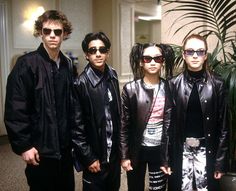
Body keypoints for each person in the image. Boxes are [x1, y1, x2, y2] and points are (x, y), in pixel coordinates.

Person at [4, 10, 75, 191]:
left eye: (57, 32)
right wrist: (24, 146)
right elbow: (15, 108)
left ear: (64, 34)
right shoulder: (26, 64)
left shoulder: (68, 65)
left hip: (65, 149)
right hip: (40, 149)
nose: (52, 35)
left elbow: (71, 106)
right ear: (40, 33)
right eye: (47, 31)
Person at [167, 34, 229, 191]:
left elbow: (224, 127)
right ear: (183, 54)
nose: (195, 55)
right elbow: (168, 126)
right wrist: (166, 158)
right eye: (190, 51)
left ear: (205, 55)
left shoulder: (218, 84)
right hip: (181, 150)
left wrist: (220, 162)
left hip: (206, 150)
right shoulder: (173, 84)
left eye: (200, 51)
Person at [120, 42, 174, 191]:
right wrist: (124, 156)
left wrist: (169, 156)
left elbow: (172, 125)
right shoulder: (130, 89)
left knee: (158, 188)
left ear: (162, 62)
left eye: (157, 58)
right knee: (135, 187)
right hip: (137, 149)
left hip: (160, 149)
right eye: (147, 58)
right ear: (140, 62)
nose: (152, 62)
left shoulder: (170, 87)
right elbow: (124, 125)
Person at [72, 31, 121, 191]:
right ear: (87, 55)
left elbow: (117, 117)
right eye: (93, 50)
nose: (98, 54)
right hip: (95, 158)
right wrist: (88, 158)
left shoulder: (113, 75)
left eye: (102, 49)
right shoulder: (80, 84)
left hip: (113, 157)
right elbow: (76, 128)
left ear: (108, 52)